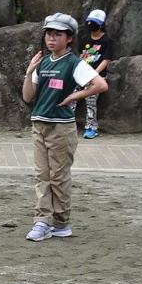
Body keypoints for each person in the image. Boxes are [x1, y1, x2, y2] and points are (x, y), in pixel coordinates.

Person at [21, 12, 103, 241]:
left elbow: (100, 84)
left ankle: (60, 222)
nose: (51, 38)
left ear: (69, 38)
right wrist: (29, 72)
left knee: (58, 176)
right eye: (49, 33)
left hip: (61, 128)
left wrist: (75, 95)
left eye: (58, 34)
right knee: (41, 175)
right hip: (40, 123)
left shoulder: (74, 63)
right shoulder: (43, 62)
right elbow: (28, 97)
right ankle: (42, 221)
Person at [79, 8, 110, 138]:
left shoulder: (107, 40)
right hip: (83, 74)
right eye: (90, 22)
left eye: (94, 23)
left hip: (97, 76)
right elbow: (82, 56)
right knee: (72, 95)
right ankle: (67, 122)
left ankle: (91, 127)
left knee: (90, 99)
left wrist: (94, 74)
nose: (91, 25)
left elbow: (106, 60)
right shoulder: (85, 38)